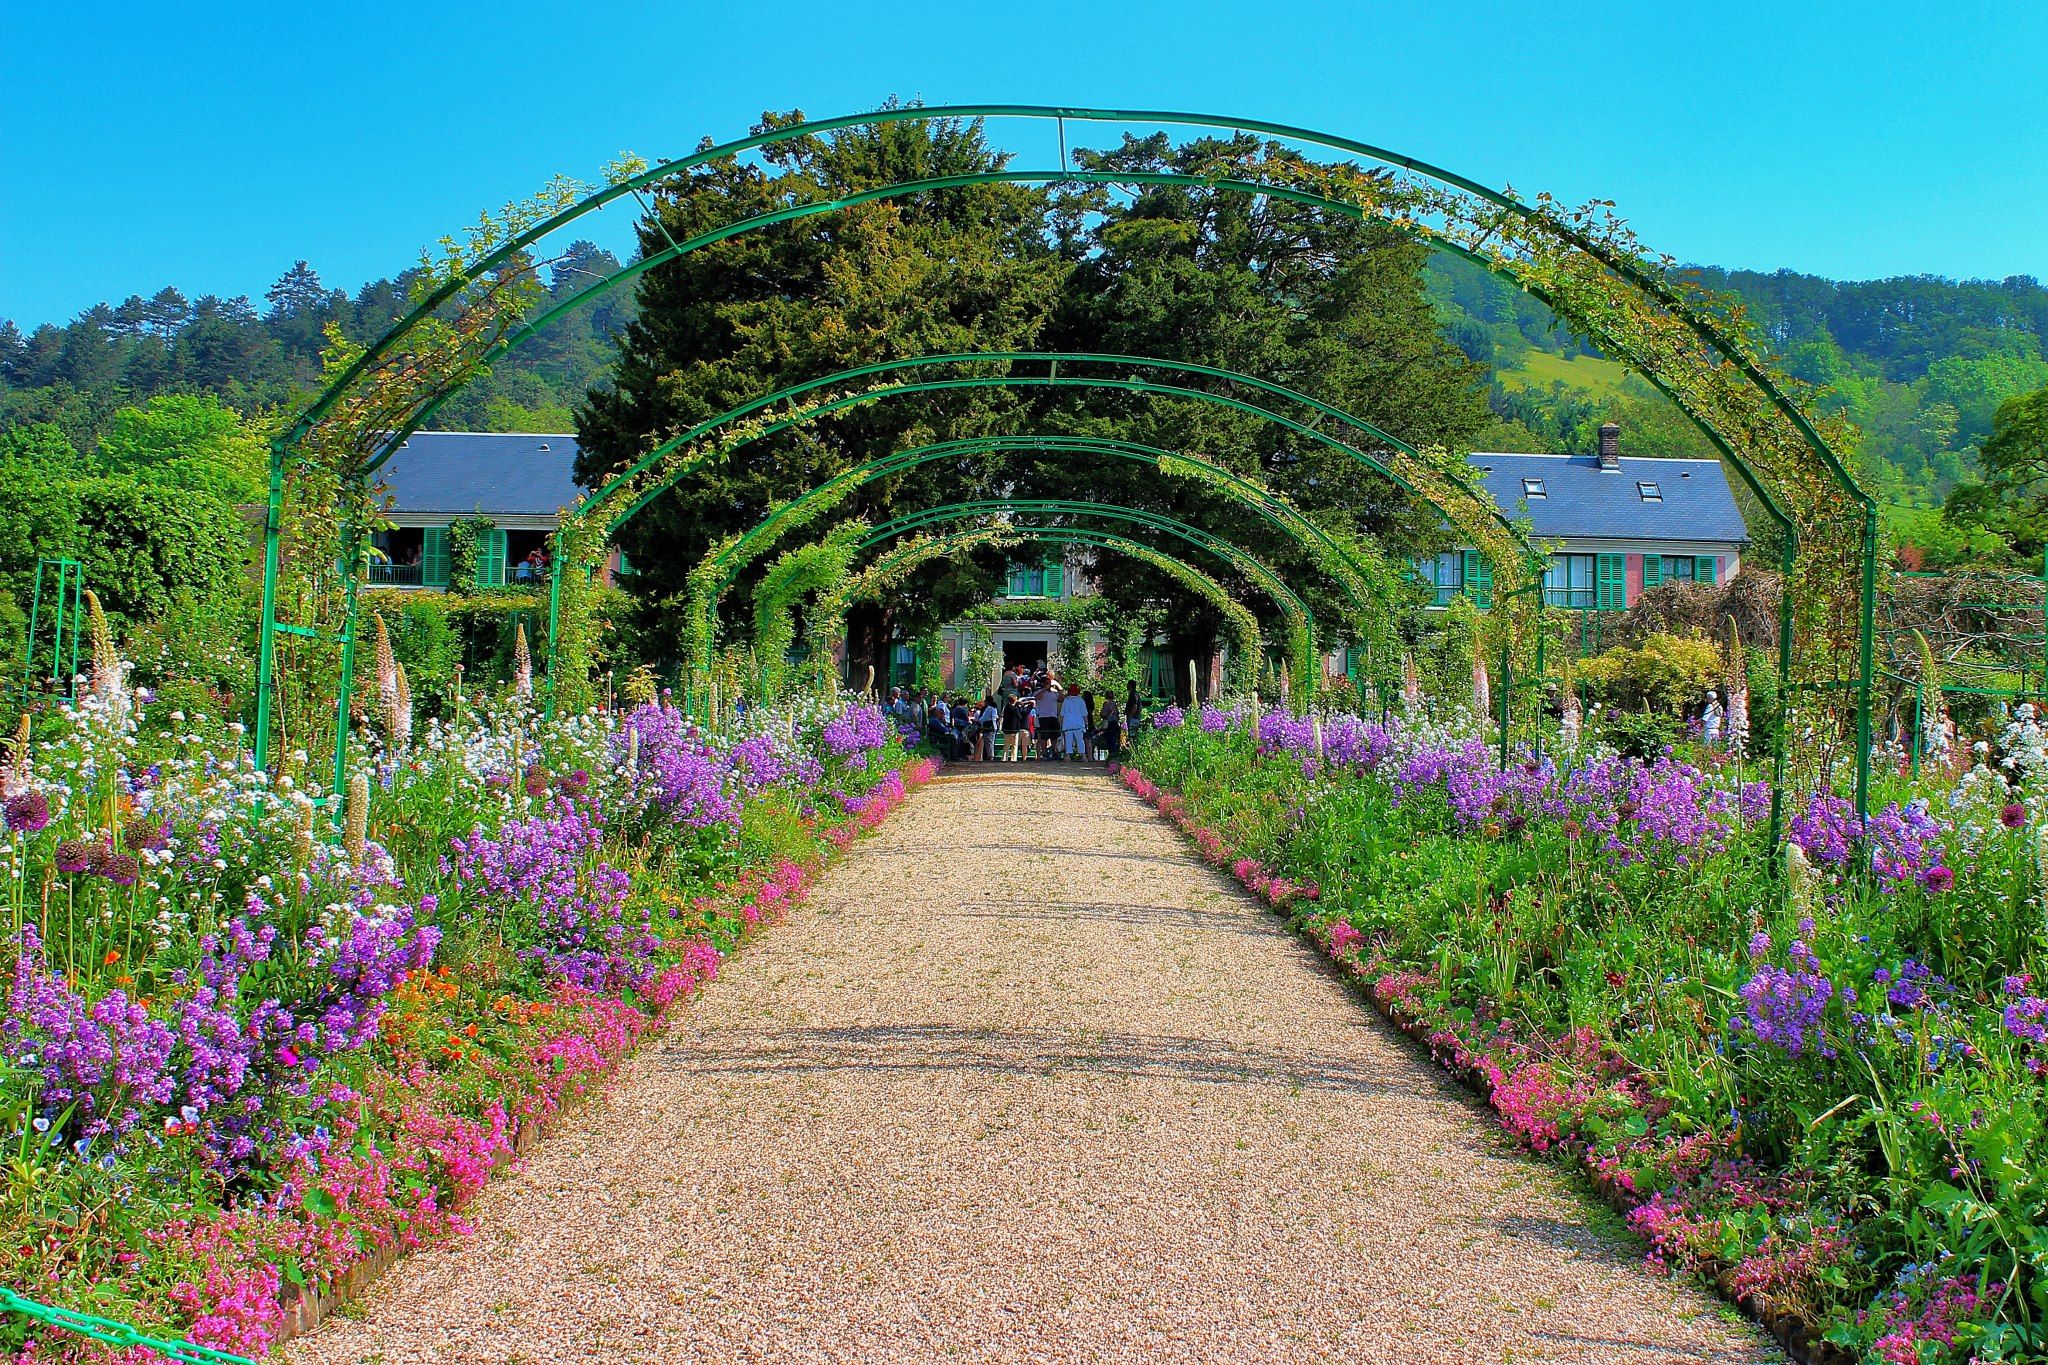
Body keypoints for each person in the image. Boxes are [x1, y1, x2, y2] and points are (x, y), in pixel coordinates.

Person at [1035, 677, 1062, 760]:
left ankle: (1054, 751)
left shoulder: (1054, 693)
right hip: (1044, 717)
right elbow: (1037, 697)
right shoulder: (1039, 692)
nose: (1049, 685)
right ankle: (1044, 752)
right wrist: (1045, 689)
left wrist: (1059, 688)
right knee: (1044, 736)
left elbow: (1061, 698)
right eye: (1047, 683)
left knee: (1055, 736)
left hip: (1053, 716)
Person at [1060, 686, 1089, 760]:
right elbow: (1084, 713)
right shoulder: (1081, 700)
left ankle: (1068, 756)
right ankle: (1083, 756)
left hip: (1068, 723)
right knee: (1080, 740)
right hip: (1078, 723)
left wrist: (1061, 722)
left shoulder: (1066, 701)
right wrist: (1086, 723)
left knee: (1068, 740)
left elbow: (1062, 713)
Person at [1003, 687, 1032, 761]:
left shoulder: (1006, 708)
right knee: (1014, 746)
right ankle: (1013, 759)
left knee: (1006, 746)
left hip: (1006, 729)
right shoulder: (1015, 709)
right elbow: (1019, 717)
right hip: (1014, 729)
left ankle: (1004, 758)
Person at [1099, 690, 1125, 762]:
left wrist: (1104, 715)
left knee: (1110, 740)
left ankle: (1111, 757)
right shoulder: (1115, 704)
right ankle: (1114, 756)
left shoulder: (1107, 703)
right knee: (1114, 740)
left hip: (1109, 723)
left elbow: (1103, 714)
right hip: (1115, 723)